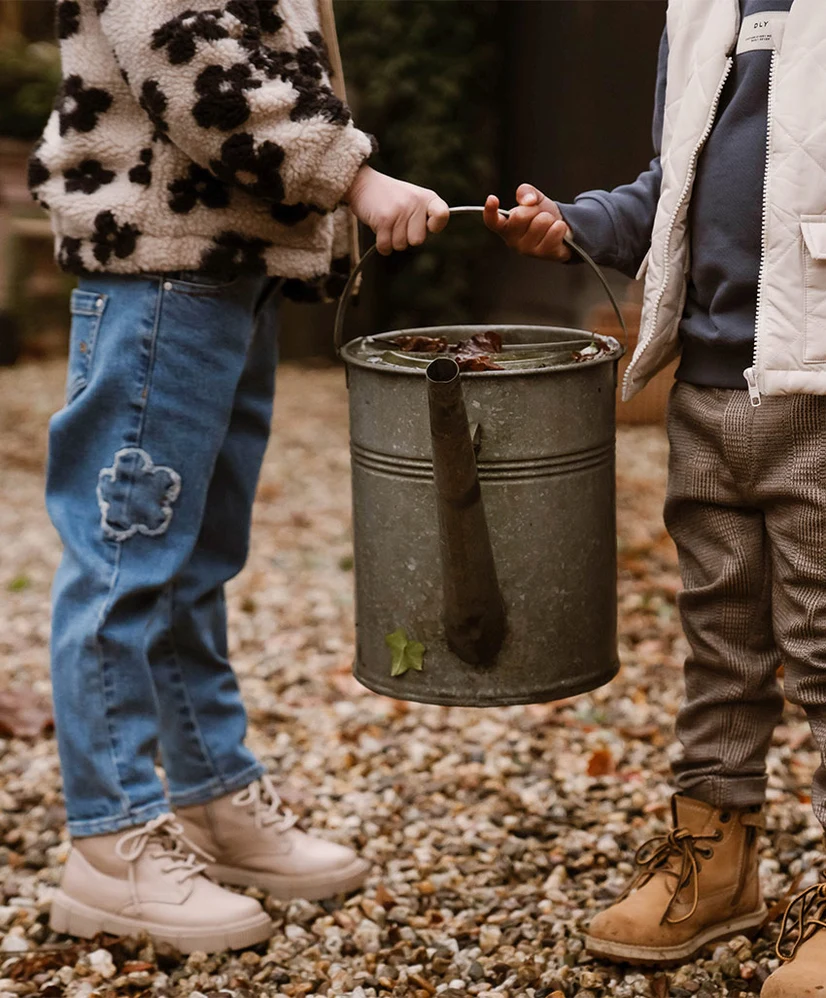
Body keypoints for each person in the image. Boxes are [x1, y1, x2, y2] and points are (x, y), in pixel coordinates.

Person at [28, 0, 449, 954]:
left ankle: (214, 796)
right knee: (123, 562)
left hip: (226, 262)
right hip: (161, 266)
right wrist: (353, 177)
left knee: (194, 554)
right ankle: (112, 840)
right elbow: (193, 56)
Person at [485, 1, 824, 994]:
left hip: (815, 380)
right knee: (719, 633)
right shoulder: (704, 13)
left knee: (820, 644)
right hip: (706, 387)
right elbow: (667, 188)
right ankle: (715, 858)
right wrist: (575, 224)